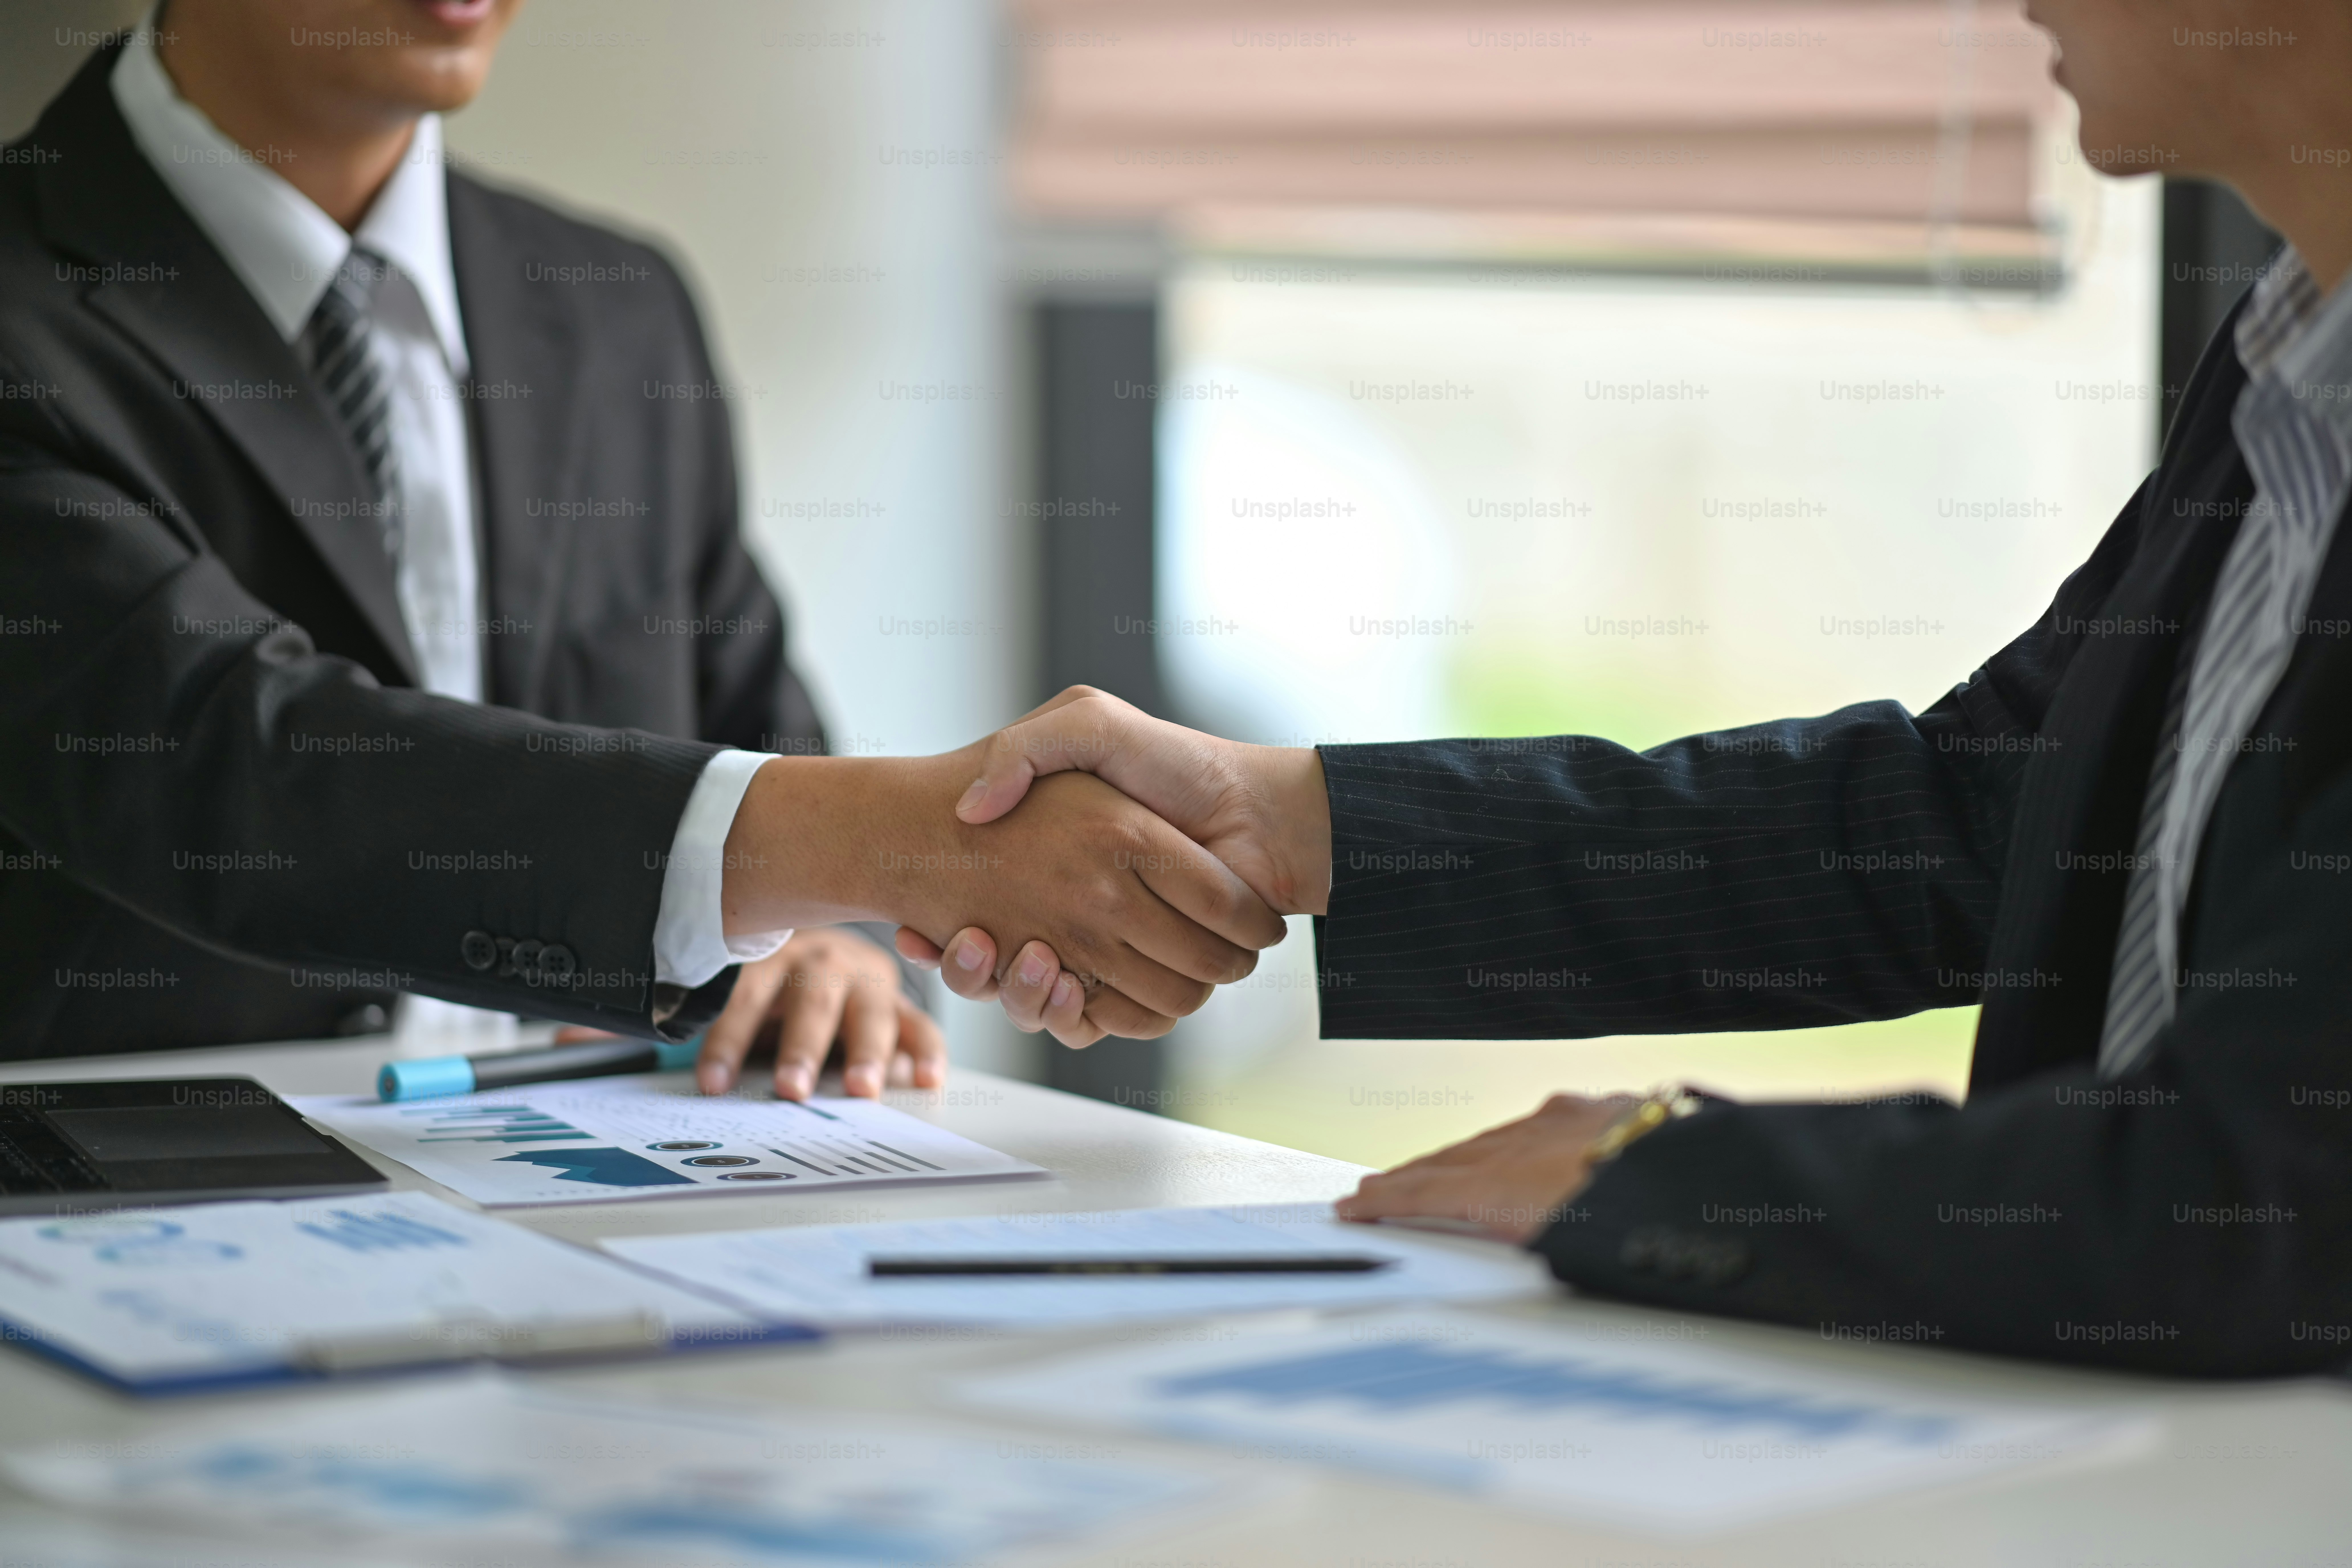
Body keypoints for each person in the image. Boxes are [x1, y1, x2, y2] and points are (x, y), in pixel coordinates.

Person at [906, 0, 2352, 1375]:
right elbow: (1977, 820)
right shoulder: (2282, 370)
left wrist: (1662, 1172)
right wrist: (1303, 818)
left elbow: (2258, 1197)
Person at [0, 0, 1284, 1088]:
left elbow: (763, 744)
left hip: (604, 1236)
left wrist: (828, 946)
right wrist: (896, 842)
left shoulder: (618, 309)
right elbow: (235, 759)